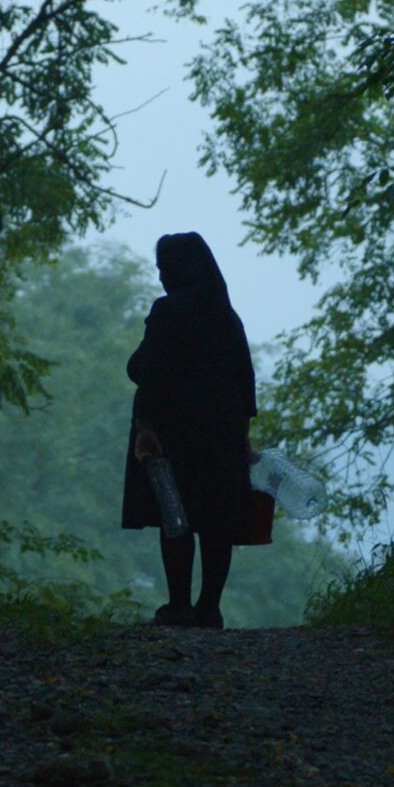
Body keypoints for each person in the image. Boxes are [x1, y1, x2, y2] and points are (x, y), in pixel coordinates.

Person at [121, 231, 259, 630]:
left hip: (174, 434)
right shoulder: (227, 317)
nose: (161, 276)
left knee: (175, 514)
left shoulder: (167, 312)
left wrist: (145, 427)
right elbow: (245, 380)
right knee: (217, 520)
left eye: (164, 267)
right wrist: (242, 436)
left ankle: (178, 604)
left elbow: (146, 371)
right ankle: (209, 607)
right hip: (223, 435)